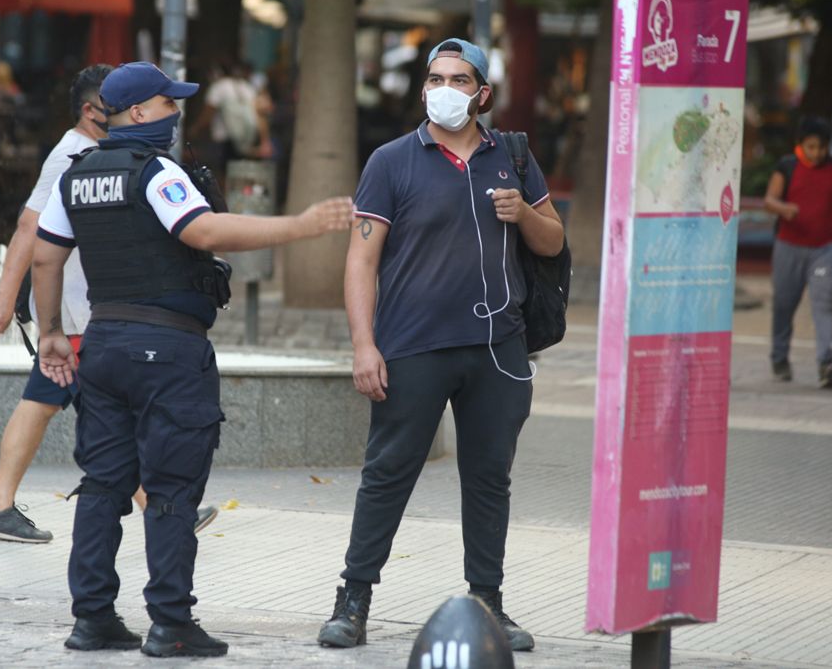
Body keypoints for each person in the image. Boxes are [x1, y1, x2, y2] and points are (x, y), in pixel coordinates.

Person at [31, 61, 355, 657]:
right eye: (165, 105)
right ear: (136, 114)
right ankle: (170, 623)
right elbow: (203, 233)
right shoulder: (156, 173)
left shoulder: (77, 177)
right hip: (168, 351)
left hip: (101, 346)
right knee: (173, 488)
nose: (175, 114)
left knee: (103, 485)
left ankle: (92, 617)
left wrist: (51, 332)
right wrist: (301, 226)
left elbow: (46, 258)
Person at [316, 39, 564, 652]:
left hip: (498, 348)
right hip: (414, 347)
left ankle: (488, 606)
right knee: (388, 473)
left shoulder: (513, 157)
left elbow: (554, 242)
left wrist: (522, 215)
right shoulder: (392, 160)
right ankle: (353, 599)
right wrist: (363, 345)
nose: (444, 89)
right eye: (435, 78)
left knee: (489, 480)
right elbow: (361, 258)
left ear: (482, 93)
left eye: (458, 79)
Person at [0, 65, 219, 543]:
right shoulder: (71, 155)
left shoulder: (103, 153)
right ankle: (0, 503)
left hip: (90, 308)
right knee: (56, 400)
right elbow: (29, 227)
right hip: (81, 310)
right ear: (92, 112)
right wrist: (4, 298)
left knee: (69, 402)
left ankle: (6, 503)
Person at [762, 117, 832, 388]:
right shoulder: (787, 167)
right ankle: (779, 357)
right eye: (811, 147)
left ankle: (827, 362)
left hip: (825, 249)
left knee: (823, 303)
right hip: (789, 247)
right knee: (784, 304)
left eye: (821, 147)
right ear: (801, 145)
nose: (816, 153)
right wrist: (784, 209)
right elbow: (769, 200)